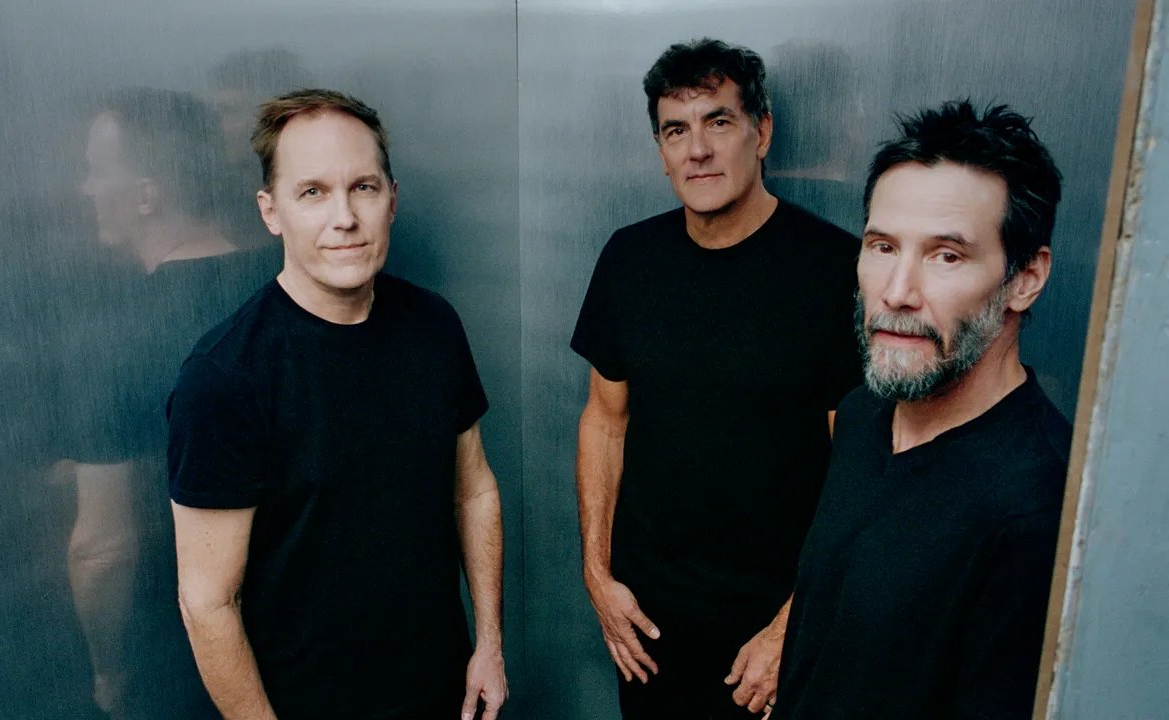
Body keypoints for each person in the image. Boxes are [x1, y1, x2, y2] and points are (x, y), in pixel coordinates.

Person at [167, 88, 507, 720]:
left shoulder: (433, 325)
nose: (344, 217)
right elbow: (208, 604)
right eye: (313, 192)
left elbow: (474, 490)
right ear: (271, 211)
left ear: (392, 199)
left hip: (446, 695)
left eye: (363, 187)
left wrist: (489, 642)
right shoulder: (223, 379)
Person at [571, 38, 861, 718]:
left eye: (719, 122)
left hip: (773, 629)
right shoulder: (630, 258)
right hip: (649, 626)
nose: (697, 150)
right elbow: (604, 421)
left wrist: (793, 626)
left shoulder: (834, 270)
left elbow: (861, 467)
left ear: (762, 132)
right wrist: (598, 576)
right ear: (661, 149)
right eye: (676, 130)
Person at [772, 100, 1069, 719]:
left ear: (1025, 278)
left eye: (946, 255)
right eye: (883, 246)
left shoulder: (1036, 510)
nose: (897, 292)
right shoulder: (863, 414)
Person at [65, 87, 280, 718]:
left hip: (191, 659)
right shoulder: (290, 286)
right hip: (318, 637)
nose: (84, 189)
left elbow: (102, 549)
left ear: (146, 194)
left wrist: (109, 671)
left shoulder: (113, 337)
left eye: (95, 170)